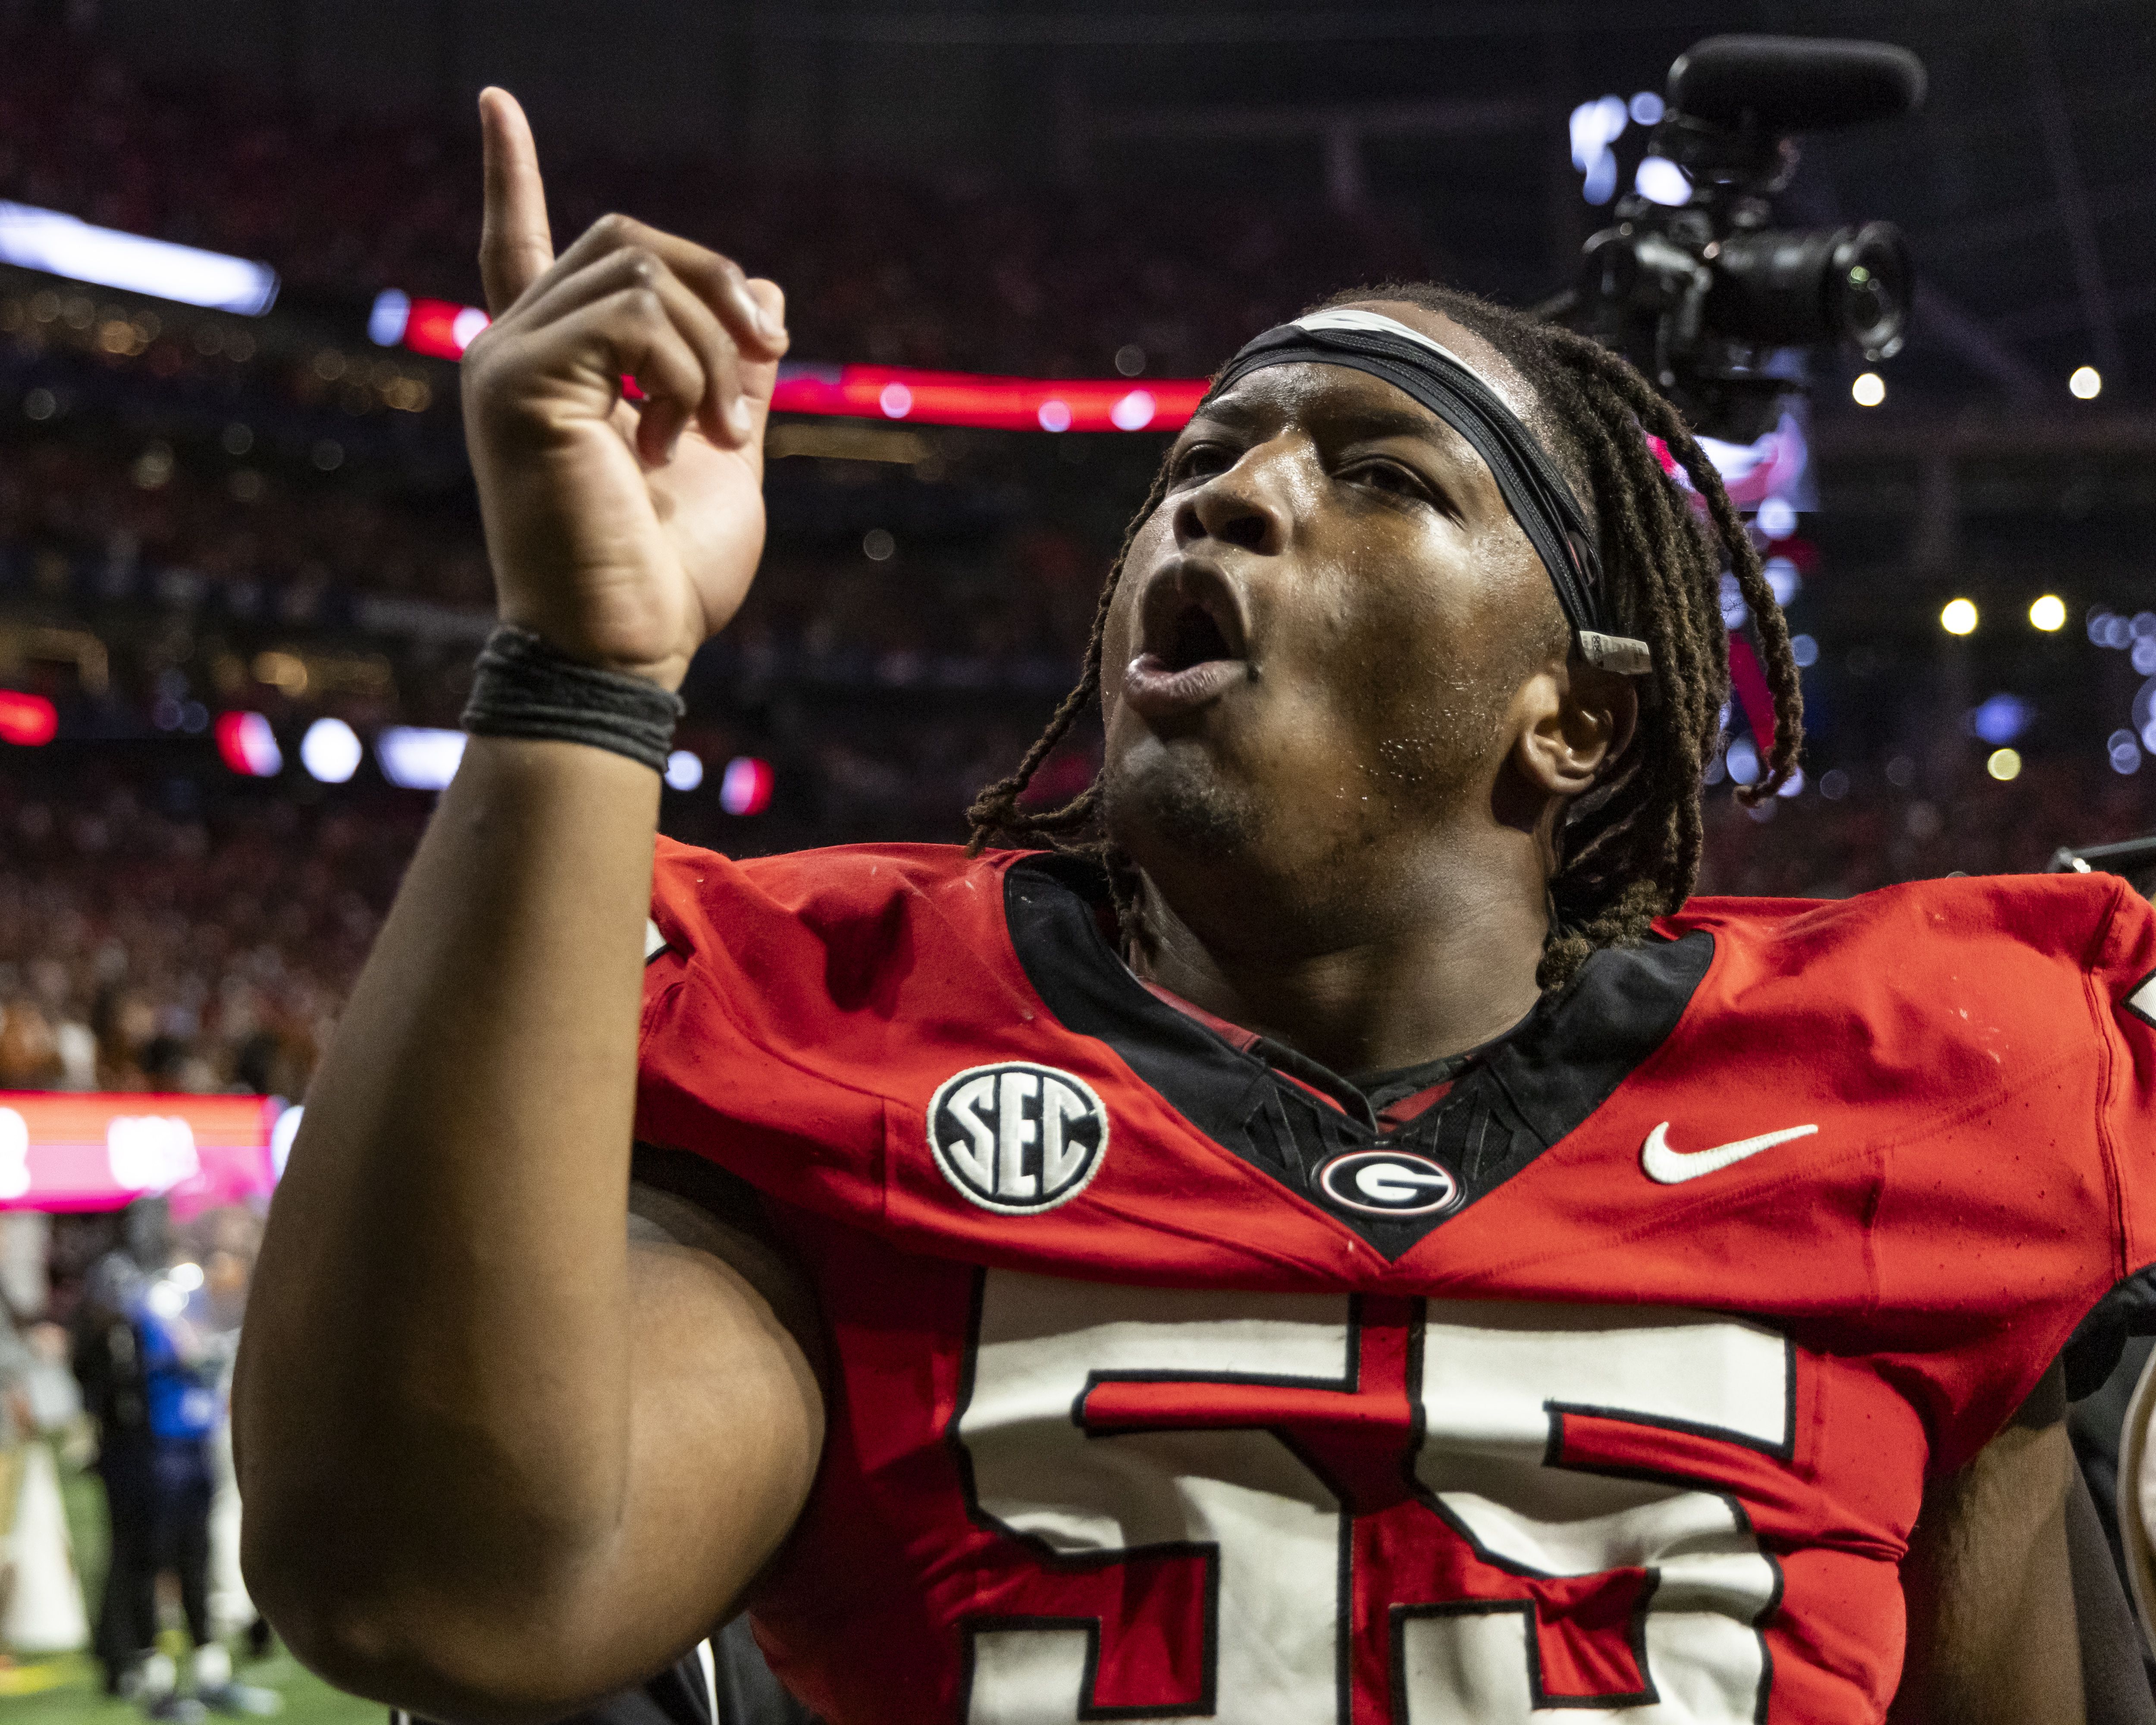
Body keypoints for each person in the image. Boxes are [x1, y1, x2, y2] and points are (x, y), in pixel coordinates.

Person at [234, 88, 2156, 1725]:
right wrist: (581, 665)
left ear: (1573, 715)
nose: (1224, 499)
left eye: (1378, 474)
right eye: (1200, 464)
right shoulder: (853, 1045)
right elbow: (428, 1588)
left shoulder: (1930, 1095)